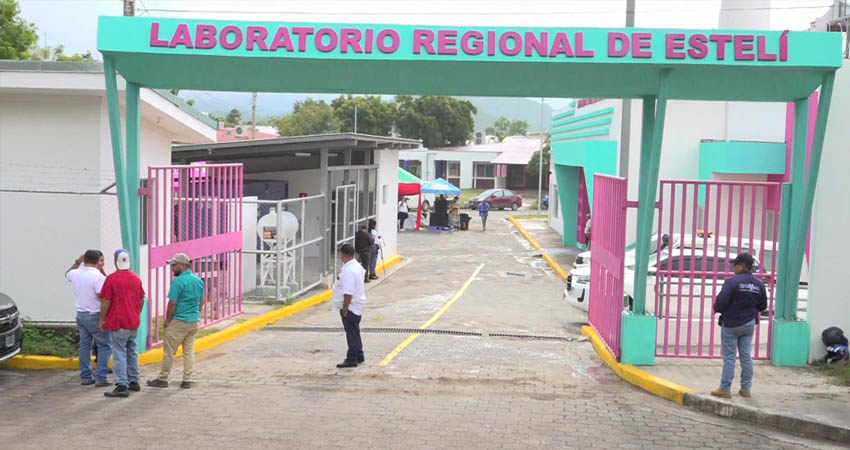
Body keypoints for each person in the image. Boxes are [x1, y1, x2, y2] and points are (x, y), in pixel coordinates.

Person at [711, 252, 767, 399]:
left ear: (742, 265)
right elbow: (763, 305)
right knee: (746, 356)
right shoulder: (759, 284)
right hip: (749, 324)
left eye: (735, 264)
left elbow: (721, 303)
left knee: (729, 357)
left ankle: (725, 388)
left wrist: (719, 308)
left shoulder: (732, 282)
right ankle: (746, 388)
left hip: (731, 324)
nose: (733, 267)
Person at [147, 253, 204, 389]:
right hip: (193, 320)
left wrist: (167, 320)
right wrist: (196, 313)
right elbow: (201, 300)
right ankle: (187, 379)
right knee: (189, 351)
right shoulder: (198, 280)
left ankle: (163, 378)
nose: (172, 268)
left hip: (179, 320)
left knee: (169, 352)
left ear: (182, 265)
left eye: (174, 265)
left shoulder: (177, 282)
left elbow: (172, 303)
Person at [99, 249, 145, 398]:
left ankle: (121, 385)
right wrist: (135, 313)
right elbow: (141, 299)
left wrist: (101, 319)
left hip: (118, 322)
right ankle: (134, 381)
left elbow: (106, 301)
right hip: (133, 322)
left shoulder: (111, 279)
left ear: (115, 261)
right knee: (132, 351)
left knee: (119, 353)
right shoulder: (136, 278)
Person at [66, 250, 111, 387]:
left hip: (81, 314)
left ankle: (86, 376)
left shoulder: (76, 273)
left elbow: (67, 274)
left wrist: (77, 262)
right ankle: (101, 377)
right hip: (95, 314)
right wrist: (102, 320)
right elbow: (104, 300)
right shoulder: (99, 277)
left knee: (85, 346)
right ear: (98, 261)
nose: (103, 263)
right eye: (102, 260)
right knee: (104, 346)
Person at [332, 244, 367, 368]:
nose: (340, 256)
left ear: (344, 255)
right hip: (358, 304)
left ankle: (352, 358)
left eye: (341, 254)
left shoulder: (348, 271)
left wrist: (345, 309)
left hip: (351, 306)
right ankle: (359, 354)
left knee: (351, 333)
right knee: (355, 331)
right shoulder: (356, 266)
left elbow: (348, 293)